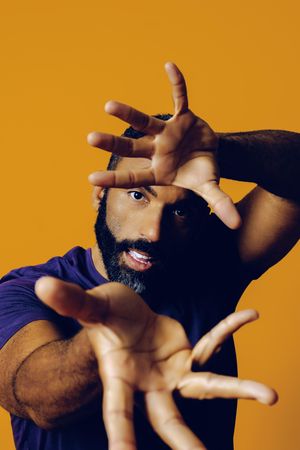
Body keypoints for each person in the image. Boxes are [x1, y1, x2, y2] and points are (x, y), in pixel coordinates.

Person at [0, 62, 298, 450]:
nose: (153, 233)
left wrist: (223, 151)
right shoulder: (27, 289)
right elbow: (32, 394)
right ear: (99, 196)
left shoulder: (208, 264)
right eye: (139, 196)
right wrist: (101, 347)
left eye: (179, 211)